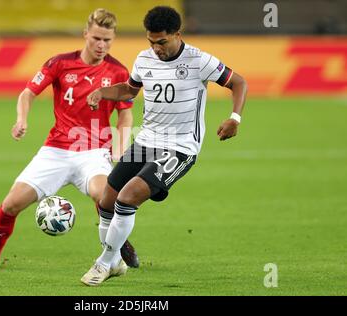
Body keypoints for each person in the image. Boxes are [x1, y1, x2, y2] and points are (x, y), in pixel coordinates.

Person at [81, 6, 248, 286]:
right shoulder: (144, 59)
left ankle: (104, 263)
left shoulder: (199, 60)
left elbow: (238, 82)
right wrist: (103, 92)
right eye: (151, 42)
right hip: (146, 140)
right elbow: (131, 90)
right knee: (106, 201)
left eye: (162, 42)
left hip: (180, 147)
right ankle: (116, 262)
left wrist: (234, 118)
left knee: (127, 197)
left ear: (177, 35)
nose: (156, 48)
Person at [0, 8, 140, 272]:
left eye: (107, 40)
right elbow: (27, 93)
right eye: (96, 39)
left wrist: (120, 145)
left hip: (93, 151)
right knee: (11, 204)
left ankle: (119, 246)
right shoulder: (59, 63)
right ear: (85, 34)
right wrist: (22, 120)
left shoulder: (117, 72)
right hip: (55, 150)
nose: (101, 45)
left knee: (104, 196)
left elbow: (125, 116)